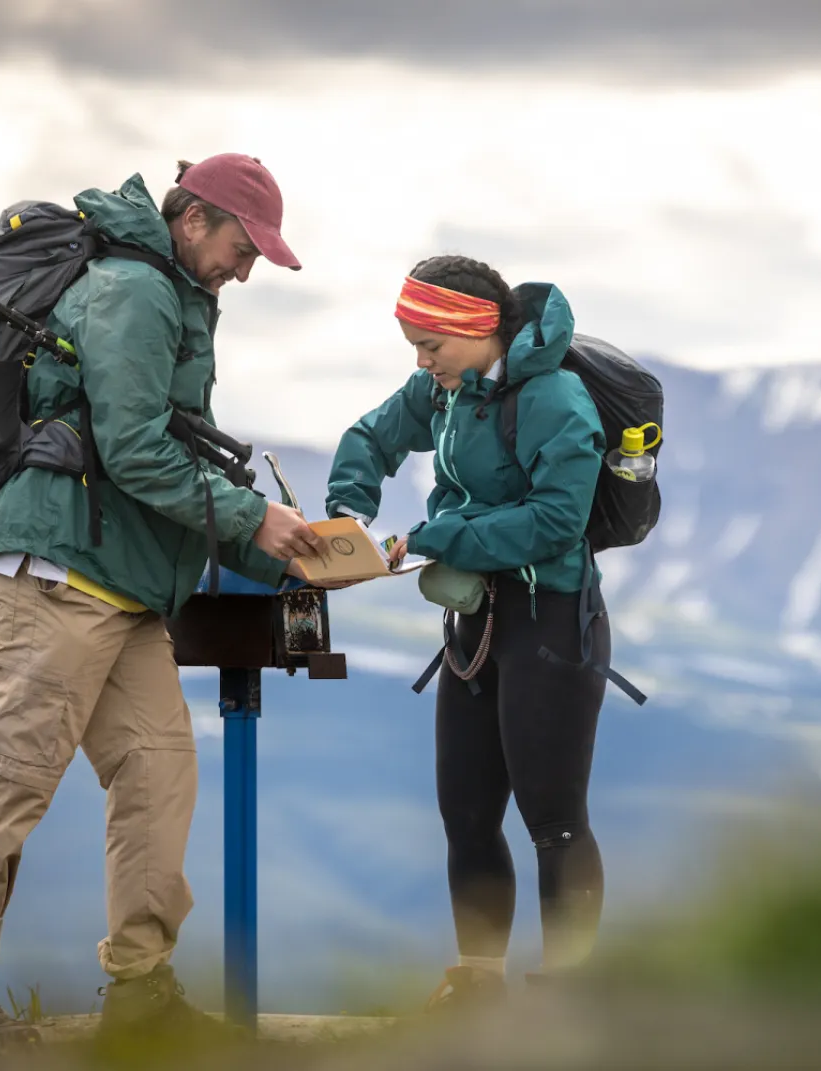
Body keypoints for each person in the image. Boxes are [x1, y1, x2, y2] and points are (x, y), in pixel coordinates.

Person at [0, 154, 327, 1042]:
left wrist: (295, 557)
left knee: (157, 775)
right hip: (63, 571)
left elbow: (156, 469)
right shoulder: (134, 292)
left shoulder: (175, 298)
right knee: (13, 780)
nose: (247, 267)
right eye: (242, 245)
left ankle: (142, 992)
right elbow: (140, 452)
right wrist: (258, 519)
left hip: (127, 586)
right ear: (193, 221)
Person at [325, 256, 611, 1007]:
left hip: (550, 617)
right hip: (474, 618)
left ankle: (568, 995)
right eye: (414, 346)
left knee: (553, 817)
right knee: (467, 813)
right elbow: (371, 436)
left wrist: (441, 535)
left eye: (431, 346)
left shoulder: (555, 399)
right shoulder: (442, 390)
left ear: (477, 330)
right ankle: (480, 986)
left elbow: (558, 521)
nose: (421, 364)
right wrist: (348, 512)